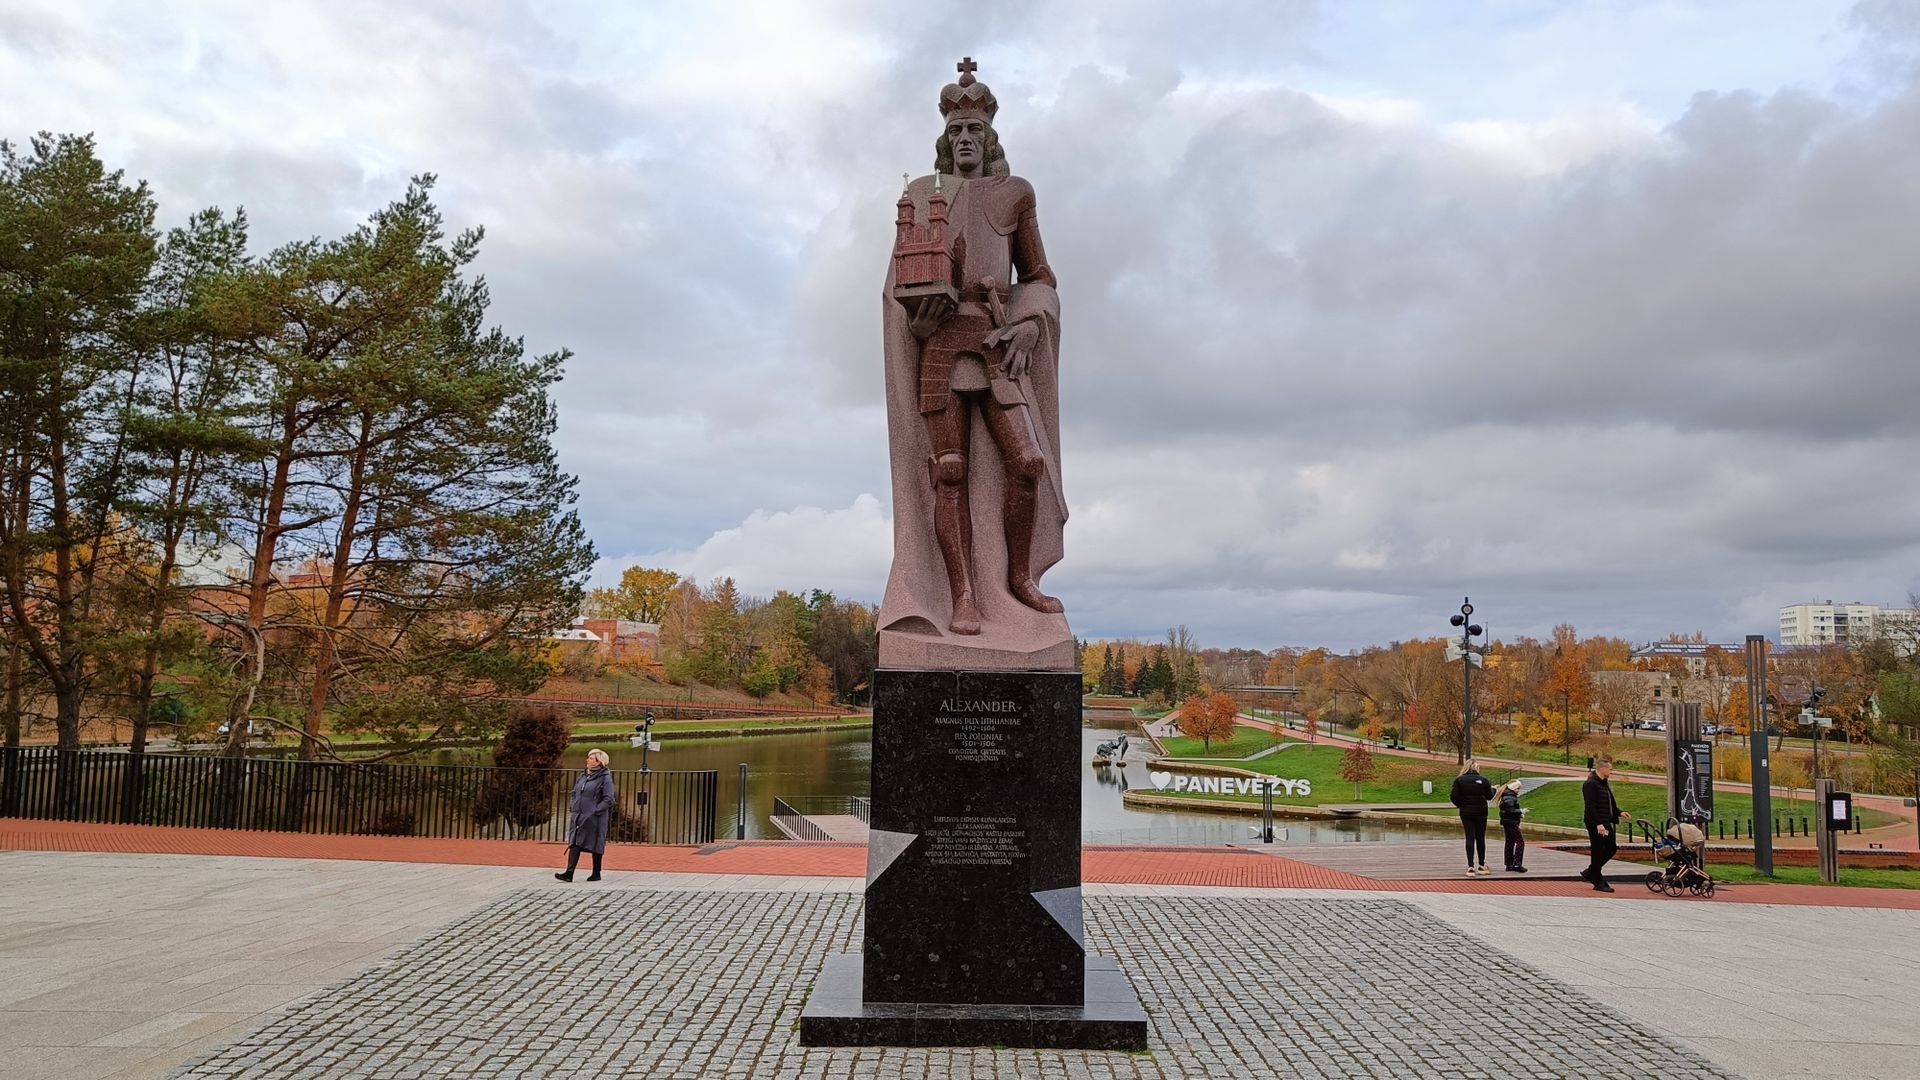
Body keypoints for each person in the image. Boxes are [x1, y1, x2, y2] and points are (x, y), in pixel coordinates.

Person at [556, 749, 615, 883]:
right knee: (575, 841)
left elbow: (609, 799)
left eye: (591, 758)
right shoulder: (583, 776)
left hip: (595, 818)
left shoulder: (605, 778)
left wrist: (595, 810)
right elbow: (575, 792)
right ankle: (569, 873)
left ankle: (596, 873)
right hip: (578, 815)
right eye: (588, 757)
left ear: (599, 762)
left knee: (596, 843)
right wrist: (573, 805)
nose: (587, 760)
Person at [1581, 757, 1632, 892]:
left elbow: (1609, 802)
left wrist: (1619, 812)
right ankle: (1597, 880)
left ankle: (1591, 872)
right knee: (1597, 850)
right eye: (1610, 769)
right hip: (1596, 823)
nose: (1611, 771)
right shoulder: (1590, 784)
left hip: (1605, 821)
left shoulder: (1603, 782)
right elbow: (1590, 806)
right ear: (1602, 769)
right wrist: (1598, 824)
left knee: (1611, 848)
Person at [1449, 759, 1496, 875]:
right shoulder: (1484, 780)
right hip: (1481, 811)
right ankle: (1481, 864)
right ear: (1476, 768)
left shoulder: (1459, 780)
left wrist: (1461, 805)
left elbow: (1454, 797)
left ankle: (1470, 865)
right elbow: (1489, 796)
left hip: (1466, 812)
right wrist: (1494, 789)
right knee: (1480, 838)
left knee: (1469, 837)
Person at [1498, 779, 1528, 873]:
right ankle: (1517, 864)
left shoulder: (1507, 796)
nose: (1519, 790)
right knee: (1520, 842)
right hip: (1511, 822)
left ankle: (1509, 864)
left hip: (1507, 821)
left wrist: (1519, 814)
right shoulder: (1510, 797)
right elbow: (1510, 811)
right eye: (1518, 788)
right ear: (1513, 788)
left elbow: (1508, 810)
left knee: (1509, 842)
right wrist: (1521, 811)